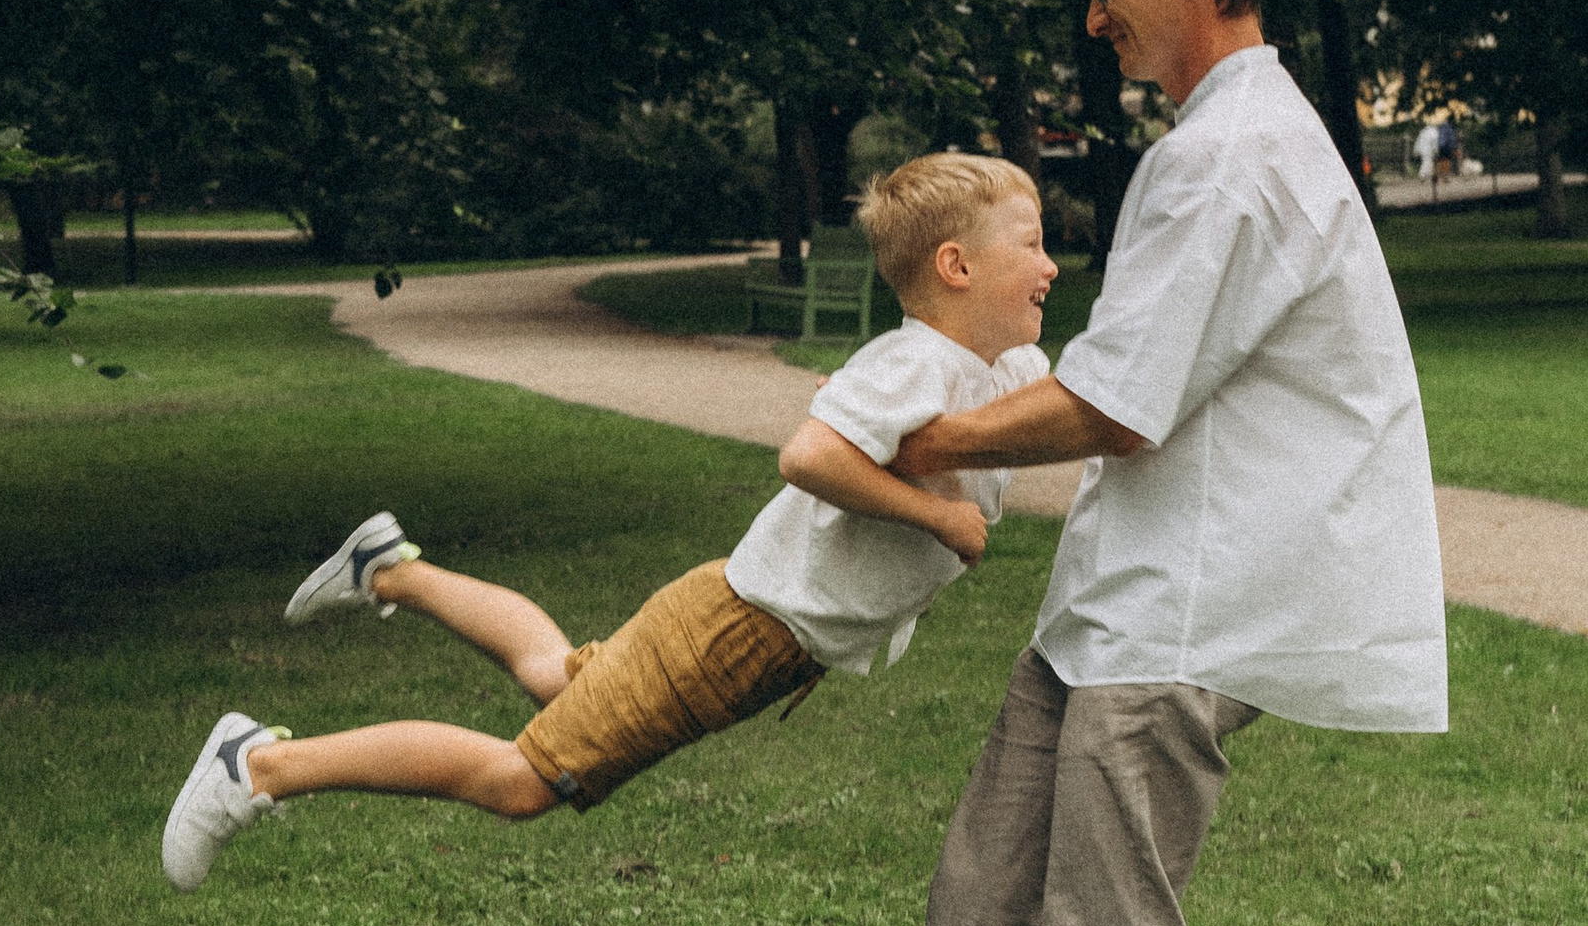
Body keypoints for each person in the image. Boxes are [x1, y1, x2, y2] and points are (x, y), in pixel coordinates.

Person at [730, 0, 1447, 926]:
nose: (1094, 13)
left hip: (1189, 615)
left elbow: (1115, 404)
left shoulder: (1231, 156)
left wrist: (918, 435)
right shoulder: (1227, 139)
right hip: (1116, 602)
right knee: (983, 902)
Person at [160, 154, 1057, 887]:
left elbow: (1072, 415)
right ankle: (259, 767)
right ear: (956, 266)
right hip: (740, 631)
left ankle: (390, 566)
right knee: (520, 781)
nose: (1052, 266)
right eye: (1033, 244)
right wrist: (941, 525)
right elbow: (809, 458)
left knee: (557, 674)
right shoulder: (917, 361)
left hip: (751, 624)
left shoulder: (1004, 366)